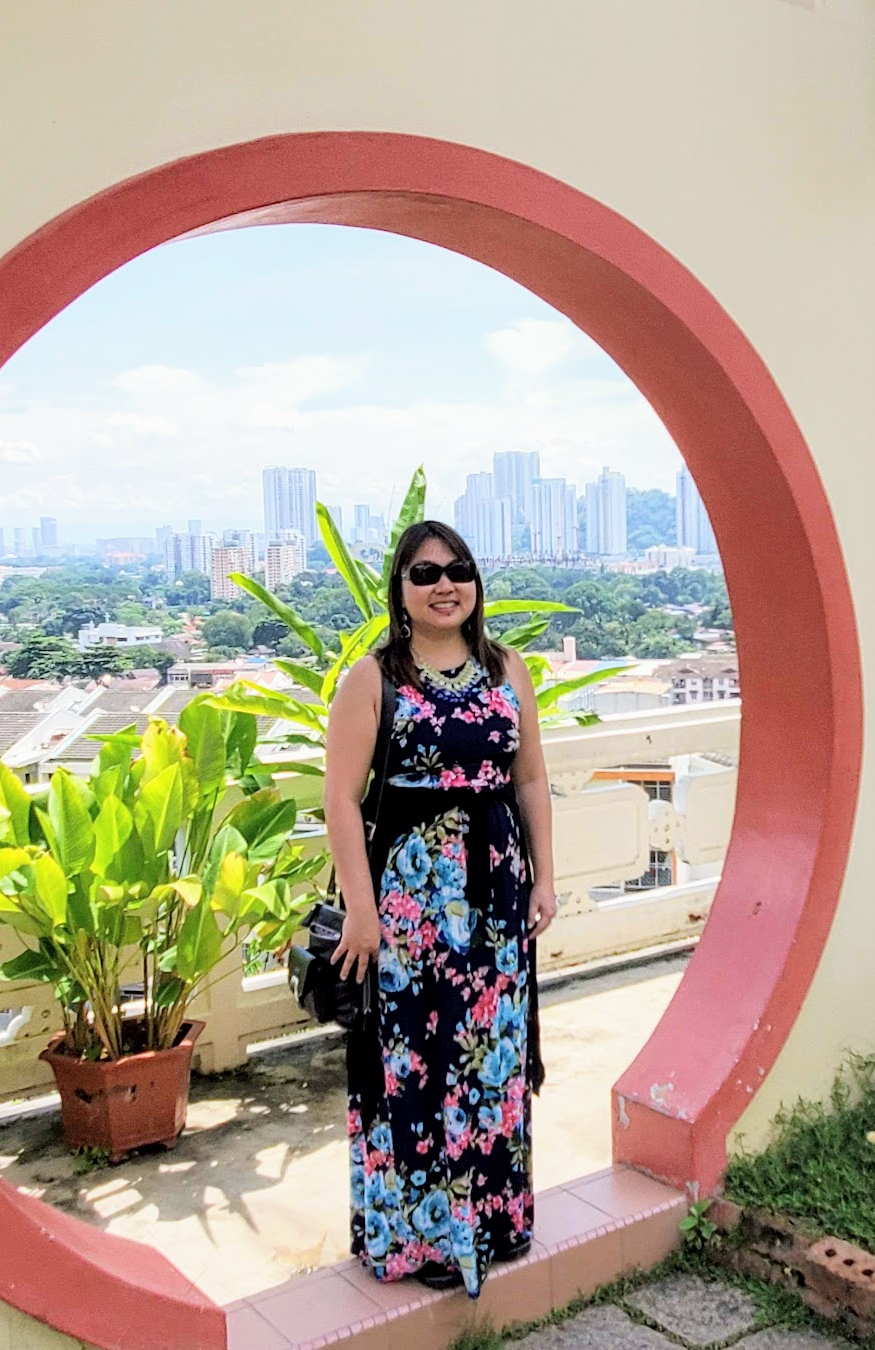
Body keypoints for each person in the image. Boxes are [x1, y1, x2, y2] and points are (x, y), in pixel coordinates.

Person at [323, 520, 559, 1296]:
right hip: (408, 909)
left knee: (490, 1062)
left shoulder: (505, 670)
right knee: (417, 1071)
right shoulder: (374, 679)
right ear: (400, 589)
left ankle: (491, 1222)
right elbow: (341, 802)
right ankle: (421, 1240)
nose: (444, 585)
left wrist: (544, 879)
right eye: (424, 574)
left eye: (458, 569)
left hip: (495, 899)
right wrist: (361, 911)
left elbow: (529, 781)